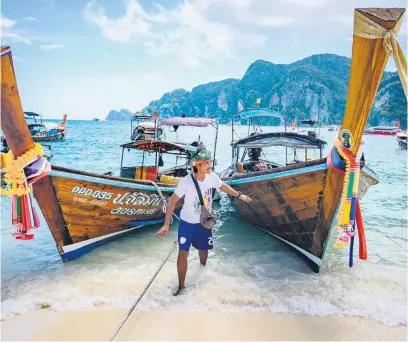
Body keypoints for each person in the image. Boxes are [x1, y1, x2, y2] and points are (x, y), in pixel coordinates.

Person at [156, 149, 252, 296]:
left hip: (204, 223)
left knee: (204, 250)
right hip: (187, 224)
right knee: (183, 253)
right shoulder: (186, 182)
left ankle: (202, 272)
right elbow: (172, 202)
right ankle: (181, 287)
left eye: (210, 162)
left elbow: (223, 187)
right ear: (197, 165)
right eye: (206, 163)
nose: (209, 165)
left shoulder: (212, 177)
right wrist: (166, 224)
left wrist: (239, 195)